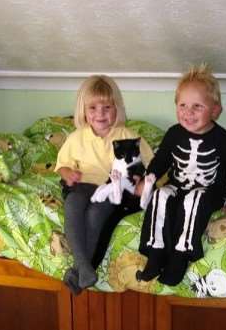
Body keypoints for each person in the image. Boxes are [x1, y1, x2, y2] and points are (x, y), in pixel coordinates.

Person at [135, 64, 226, 286]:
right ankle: (155, 253)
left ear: (215, 110)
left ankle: (180, 256)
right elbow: (161, 160)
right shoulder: (174, 133)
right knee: (161, 196)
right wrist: (148, 180)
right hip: (179, 184)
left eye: (198, 106)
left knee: (193, 199)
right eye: (183, 105)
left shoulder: (225, 139)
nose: (188, 112)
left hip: (209, 190)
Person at [55, 75, 153, 295]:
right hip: (82, 185)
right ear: (84, 111)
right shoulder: (76, 137)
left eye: (107, 107)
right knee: (72, 208)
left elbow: (152, 163)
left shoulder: (127, 136)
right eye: (93, 108)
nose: (100, 114)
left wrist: (142, 180)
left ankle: (78, 270)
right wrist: (68, 173)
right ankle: (84, 266)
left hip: (111, 189)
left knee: (95, 215)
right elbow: (61, 165)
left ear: (116, 108)